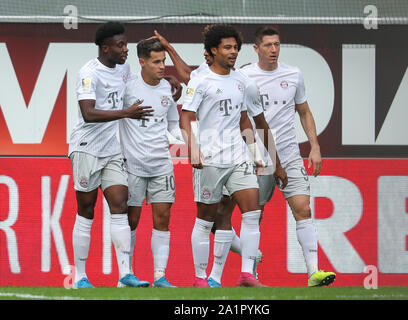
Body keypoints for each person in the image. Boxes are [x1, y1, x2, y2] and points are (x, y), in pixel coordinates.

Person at [152, 28, 282, 284]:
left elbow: (246, 120)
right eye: (227, 47)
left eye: (235, 47)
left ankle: (246, 273)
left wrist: (257, 153)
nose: (233, 52)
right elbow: (185, 118)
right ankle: (201, 277)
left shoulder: (242, 81)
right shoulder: (200, 81)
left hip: (238, 159)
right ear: (213, 51)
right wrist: (192, 148)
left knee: (252, 212)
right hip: (210, 159)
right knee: (206, 221)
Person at [241, 26, 336, 287]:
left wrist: (315, 146)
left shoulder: (293, 74)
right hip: (258, 155)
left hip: (290, 153)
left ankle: (313, 272)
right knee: (253, 215)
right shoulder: (245, 76)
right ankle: (249, 274)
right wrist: (255, 152)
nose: (273, 49)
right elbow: (241, 119)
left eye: (277, 44)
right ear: (256, 48)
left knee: (303, 209)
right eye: (268, 45)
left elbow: (304, 111)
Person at [68, 22, 152, 288]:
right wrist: (126, 114)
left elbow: (128, 96)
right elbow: (88, 114)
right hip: (86, 148)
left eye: (125, 44)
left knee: (120, 204)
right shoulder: (89, 73)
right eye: (120, 45)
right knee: (86, 210)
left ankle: (125, 274)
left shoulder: (124, 68)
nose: (126, 49)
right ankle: (80, 275)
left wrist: (162, 83)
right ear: (106, 48)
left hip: (112, 149)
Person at [119, 38, 183, 288]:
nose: (162, 67)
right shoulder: (128, 86)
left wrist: (186, 143)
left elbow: (173, 123)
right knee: (130, 220)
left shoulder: (167, 89)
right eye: (156, 62)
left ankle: (159, 276)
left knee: (163, 218)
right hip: (133, 165)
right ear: (142, 62)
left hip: (162, 164)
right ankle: (127, 275)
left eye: (163, 61)